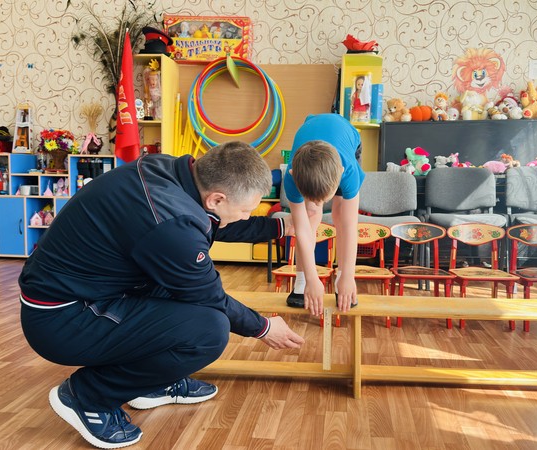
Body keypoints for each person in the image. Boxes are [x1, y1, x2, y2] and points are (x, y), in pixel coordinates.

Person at [19, 142, 303, 448]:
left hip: (86, 292)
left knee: (175, 289)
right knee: (209, 330)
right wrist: (264, 328)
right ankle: (88, 396)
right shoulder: (169, 222)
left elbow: (212, 223)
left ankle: (150, 383)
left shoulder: (171, 172)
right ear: (217, 198)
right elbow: (208, 295)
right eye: (246, 211)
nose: (246, 216)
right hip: (61, 319)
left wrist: (280, 226)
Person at [282, 113, 366, 317]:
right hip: (311, 142)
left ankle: (341, 278)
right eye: (316, 198)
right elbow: (301, 229)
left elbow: (349, 226)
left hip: (347, 140)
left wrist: (348, 276)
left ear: (341, 172)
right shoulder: (291, 177)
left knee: (340, 214)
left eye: (323, 199)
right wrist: (311, 279)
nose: (321, 203)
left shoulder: (349, 172)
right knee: (310, 213)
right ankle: (301, 280)